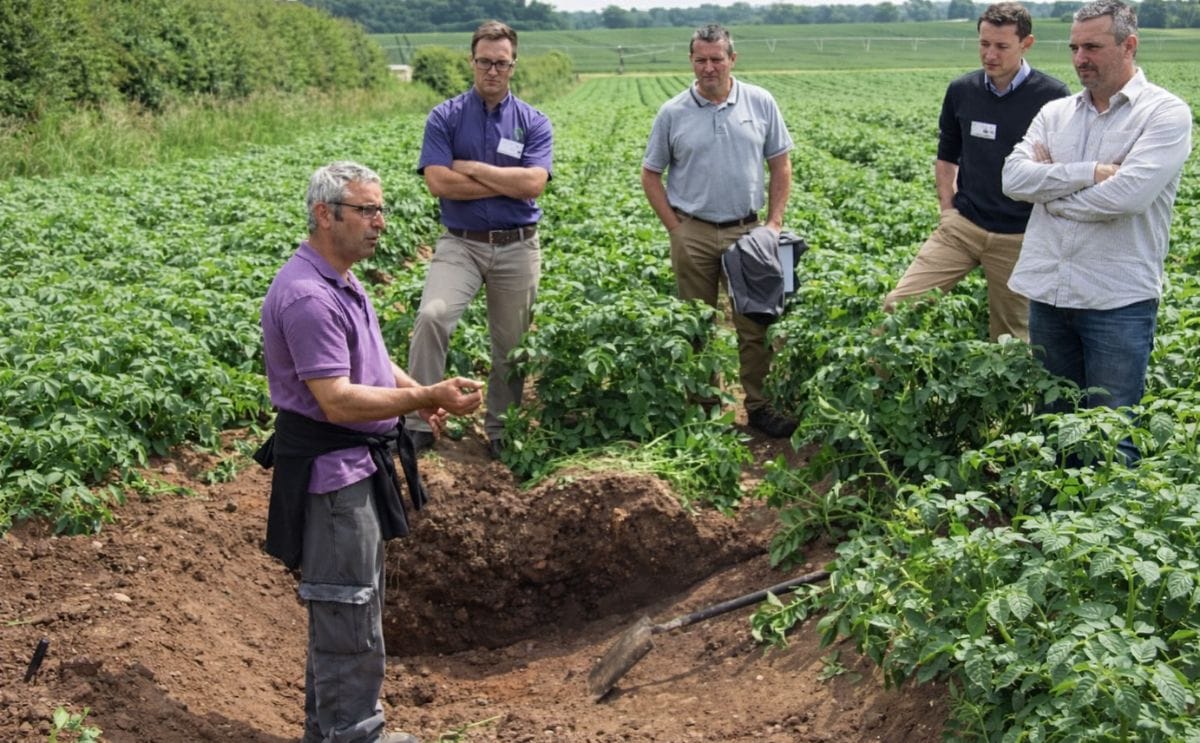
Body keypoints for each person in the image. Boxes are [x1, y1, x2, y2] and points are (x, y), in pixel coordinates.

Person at [259, 161, 483, 743]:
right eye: (366, 210)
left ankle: (329, 730)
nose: (380, 222)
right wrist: (425, 395)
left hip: (355, 466)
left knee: (350, 607)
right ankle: (355, 733)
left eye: (381, 209)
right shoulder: (309, 295)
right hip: (332, 481)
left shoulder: (343, 278)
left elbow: (370, 361)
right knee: (347, 610)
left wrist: (412, 394)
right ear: (324, 214)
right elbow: (334, 399)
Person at [1003, 0, 1192, 460]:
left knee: (1112, 434)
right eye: (1074, 47)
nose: (1079, 58)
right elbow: (1012, 179)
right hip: (1049, 294)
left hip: (1117, 301)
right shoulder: (1056, 113)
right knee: (1053, 430)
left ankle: (1102, 528)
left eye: (1093, 46)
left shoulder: (1164, 114)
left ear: (1129, 45)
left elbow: (1126, 198)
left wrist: (1049, 195)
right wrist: (1089, 172)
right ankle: (1053, 522)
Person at [641, 23, 797, 439]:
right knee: (697, 326)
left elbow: (780, 165)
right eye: (700, 59)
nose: (708, 67)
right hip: (693, 230)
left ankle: (760, 407)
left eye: (716, 58)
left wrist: (773, 225)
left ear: (732, 59)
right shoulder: (673, 112)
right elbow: (651, 174)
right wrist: (675, 229)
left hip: (749, 233)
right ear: (691, 61)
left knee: (756, 324)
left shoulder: (760, 102)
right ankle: (705, 411)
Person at [407, 19, 553, 460]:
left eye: (501, 63)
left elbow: (532, 184)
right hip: (461, 243)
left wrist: (469, 166)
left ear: (513, 65)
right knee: (432, 317)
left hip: (517, 245)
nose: (493, 70)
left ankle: (501, 427)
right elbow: (438, 183)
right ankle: (418, 420)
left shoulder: (533, 122)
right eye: (485, 61)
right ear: (472, 62)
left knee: (511, 345)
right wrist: (506, 182)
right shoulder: (445, 116)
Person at [883, 2, 1069, 341]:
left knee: (1011, 338)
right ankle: (885, 389)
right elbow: (946, 156)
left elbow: (1056, 170)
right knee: (898, 307)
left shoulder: (1052, 97)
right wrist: (946, 211)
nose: (990, 55)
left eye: (1001, 46)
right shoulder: (961, 90)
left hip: (1019, 237)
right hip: (963, 226)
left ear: (1026, 44)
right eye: (984, 44)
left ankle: (1012, 396)